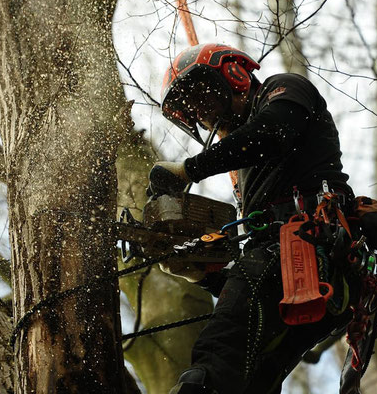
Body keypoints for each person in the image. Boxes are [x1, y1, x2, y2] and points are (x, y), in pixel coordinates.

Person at [148, 43, 359, 394]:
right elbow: (254, 283)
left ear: (234, 75)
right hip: (293, 272)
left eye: (205, 101)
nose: (204, 114)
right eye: (196, 112)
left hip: (305, 241)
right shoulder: (250, 173)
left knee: (217, 356)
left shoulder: (284, 90)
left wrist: (188, 170)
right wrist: (206, 276)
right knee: (252, 379)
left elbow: (271, 132)